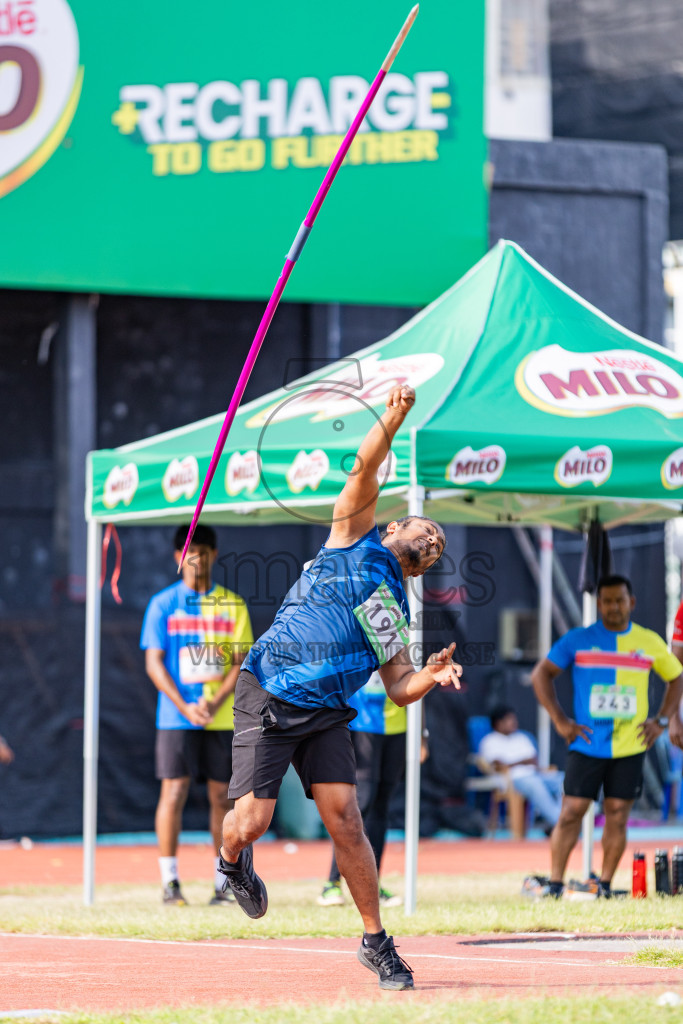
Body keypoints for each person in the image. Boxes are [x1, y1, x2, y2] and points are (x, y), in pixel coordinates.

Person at [218, 385, 461, 991]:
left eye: (438, 548)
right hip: (271, 688)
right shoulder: (354, 534)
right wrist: (395, 417)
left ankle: (376, 942)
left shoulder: (393, 607)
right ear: (397, 525)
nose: (433, 542)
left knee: (347, 822)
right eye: (427, 531)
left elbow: (398, 685)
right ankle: (230, 863)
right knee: (251, 822)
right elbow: (363, 467)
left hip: (327, 712)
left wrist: (429, 676)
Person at [531, 573, 683, 898]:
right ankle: (555, 884)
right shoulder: (578, 639)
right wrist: (560, 720)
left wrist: (661, 720)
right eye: (608, 601)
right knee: (572, 811)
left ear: (632, 602)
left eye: (620, 600)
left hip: (630, 745)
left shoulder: (648, 641)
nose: (614, 607)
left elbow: (677, 677)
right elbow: (541, 674)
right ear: (598, 604)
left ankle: (604, 885)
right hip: (587, 743)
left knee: (617, 815)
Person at [140, 523, 253, 906]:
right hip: (176, 717)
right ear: (178, 557)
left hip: (220, 718)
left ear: (214, 555)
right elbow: (154, 664)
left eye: (204, 552)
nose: (197, 560)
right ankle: (170, 883)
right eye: (190, 553)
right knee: (173, 791)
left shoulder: (232, 604)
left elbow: (240, 663)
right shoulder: (162, 604)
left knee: (222, 797)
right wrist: (184, 705)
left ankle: (223, 884)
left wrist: (215, 702)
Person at [317, 671, 429, 909]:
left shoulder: (403, 646)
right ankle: (332, 883)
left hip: (397, 729)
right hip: (362, 724)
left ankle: (372, 883)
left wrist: (421, 733)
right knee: (361, 804)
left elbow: (417, 682)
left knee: (381, 806)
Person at [478, 705, 563, 833]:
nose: (514, 722)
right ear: (498, 723)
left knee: (564, 780)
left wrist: (516, 762)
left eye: (514, 719)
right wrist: (523, 761)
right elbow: (499, 765)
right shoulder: (489, 741)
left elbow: (533, 760)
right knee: (535, 785)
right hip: (513, 780)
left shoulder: (522, 737)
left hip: (535, 775)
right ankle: (561, 823)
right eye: (509, 719)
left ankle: (561, 820)